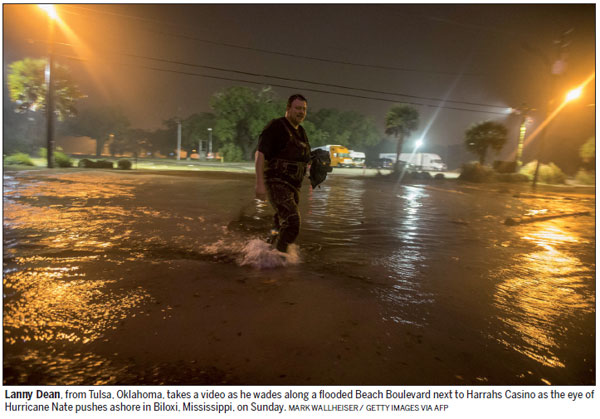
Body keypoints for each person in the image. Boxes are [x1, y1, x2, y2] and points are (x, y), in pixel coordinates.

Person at [255, 94, 311, 253]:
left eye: (304, 109)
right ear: (288, 108)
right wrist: (259, 184)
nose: (301, 112)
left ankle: (263, 251)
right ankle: (279, 257)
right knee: (293, 222)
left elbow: (302, 158)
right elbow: (260, 154)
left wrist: (316, 162)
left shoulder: (301, 131)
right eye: (298, 108)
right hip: (277, 183)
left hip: (294, 187)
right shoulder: (276, 126)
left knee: (280, 224)